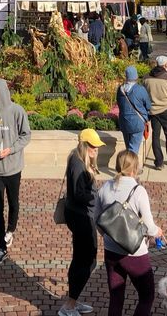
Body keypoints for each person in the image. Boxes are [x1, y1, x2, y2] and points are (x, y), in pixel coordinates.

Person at [93, 150, 161, 316]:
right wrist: (158, 232)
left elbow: (97, 218)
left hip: (111, 251)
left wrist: (107, 236)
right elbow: (149, 226)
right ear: (134, 168)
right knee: (147, 296)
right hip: (135, 253)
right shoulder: (138, 191)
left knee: (116, 298)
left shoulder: (105, 187)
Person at [0, 78, 32, 266]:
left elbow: (26, 135)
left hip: (12, 167)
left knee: (14, 203)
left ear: (0, 91)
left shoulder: (17, 111)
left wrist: (11, 149)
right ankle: (1, 247)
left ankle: (11, 230)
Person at [58, 128, 103, 316]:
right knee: (86, 260)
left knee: (83, 259)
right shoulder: (77, 163)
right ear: (84, 145)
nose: (96, 149)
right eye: (92, 146)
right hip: (81, 217)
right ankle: (69, 305)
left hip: (80, 215)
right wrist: (97, 197)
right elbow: (78, 194)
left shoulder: (78, 159)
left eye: (97, 146)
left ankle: (73, 300)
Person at [145, 56, 167, 169]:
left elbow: (144, 93)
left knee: (155, 135)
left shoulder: (146, 78)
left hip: (153, 110)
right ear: (165, 65)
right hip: (166, 109)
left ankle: (159, 162)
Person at [116, 66, 151, 157]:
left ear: (126, 77)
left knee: (128, 147)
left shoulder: (120, 90)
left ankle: (128, 166)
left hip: (124, 122)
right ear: (136, 77)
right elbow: (148, 105)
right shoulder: (140, 89)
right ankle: (131, 169)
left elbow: (119, 104)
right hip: (137, 123)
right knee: (133, 149)